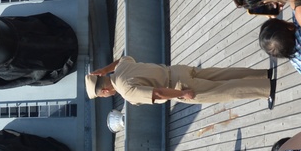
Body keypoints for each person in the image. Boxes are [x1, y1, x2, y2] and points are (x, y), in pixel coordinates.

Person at [85, 56, 274, 106]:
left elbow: (157, 93)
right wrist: (104, 69)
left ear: (103, 91)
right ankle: (263, 74)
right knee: (222, 75)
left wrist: (182, 94)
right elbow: (123, 58)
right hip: (177, 70)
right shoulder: (121, 68)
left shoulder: (126, 92)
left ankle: (266, 88)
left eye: (102, 96)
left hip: (178, 87)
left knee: (225, 90)